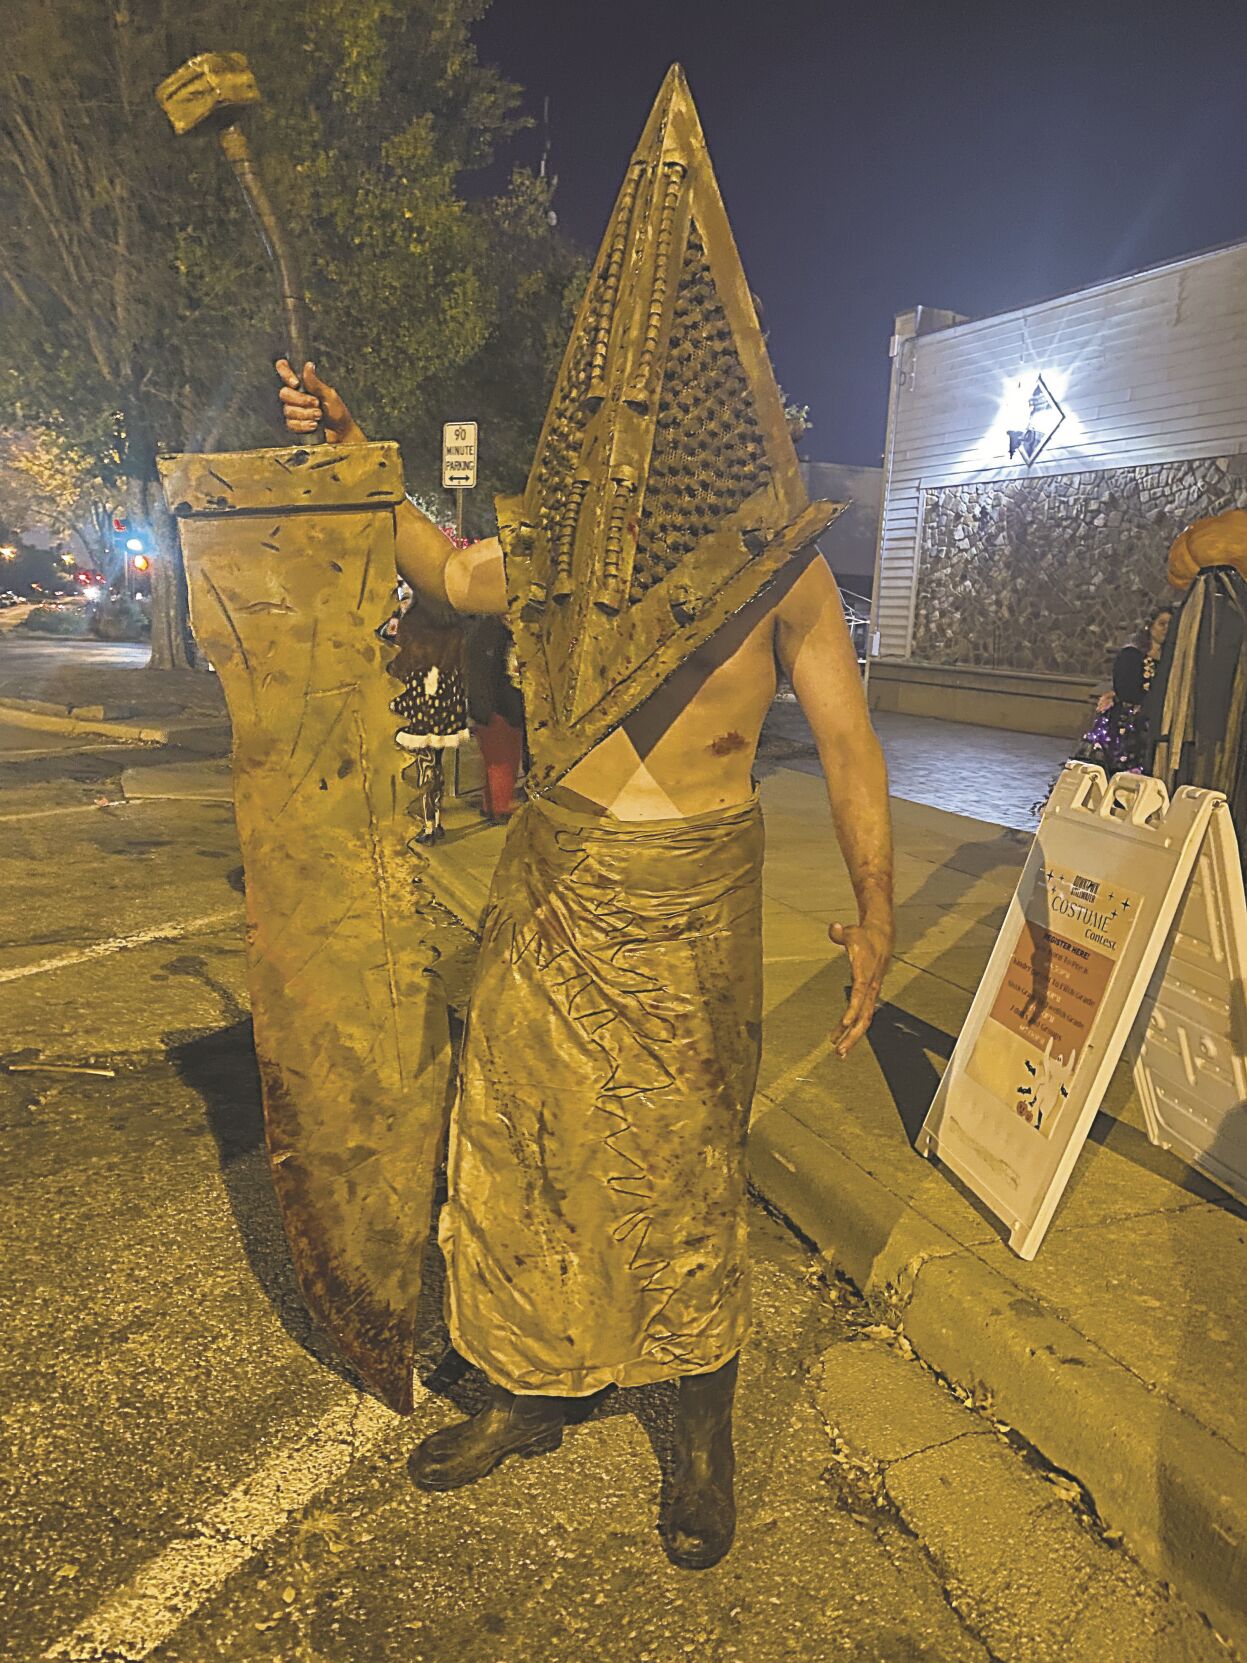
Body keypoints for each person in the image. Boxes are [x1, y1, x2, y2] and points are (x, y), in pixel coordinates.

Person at [276, 358, 894, 1571]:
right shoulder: (572, 549)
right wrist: (359, 451)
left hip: (695, 894)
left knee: (684, 1163)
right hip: (557, 877)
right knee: (515, 1139)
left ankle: (700, 1426)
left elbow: (848, 744)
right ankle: (523, 1386)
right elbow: (451, 575)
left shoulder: (782, 567)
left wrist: (876, 915)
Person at [1030, 605, 1172, 817]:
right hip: (1122, 726)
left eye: (1171, 625)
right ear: (1150, 625)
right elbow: (1126, 688)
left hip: (1149, 727)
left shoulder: (1172, 661)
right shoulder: (1132, 655)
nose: (1166, 629)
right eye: (1162, 624)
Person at [380, 592, 471, 844]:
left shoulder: (414, 622)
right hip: (447, 696)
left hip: (420, 698)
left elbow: (404, 661)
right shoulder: (455, 623)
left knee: (424, 764)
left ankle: (428, 825)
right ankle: (435, 820)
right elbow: (463, 663)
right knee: (437, 763)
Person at [464, 614, 525, 824]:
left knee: (493, 759)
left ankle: (490, 804)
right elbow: (506, 672)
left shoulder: (479, 630)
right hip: (499, 706)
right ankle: (500, 806)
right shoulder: (499, 635)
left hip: (484, 705)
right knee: (503, 758)